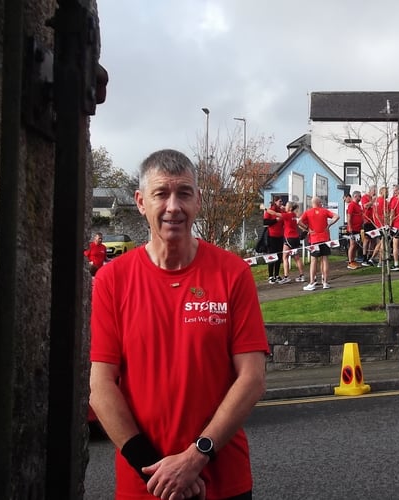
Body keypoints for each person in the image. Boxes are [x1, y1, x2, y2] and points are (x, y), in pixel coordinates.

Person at [89, 149, 269, 500]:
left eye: (184, 193)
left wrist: (196, 457)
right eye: (161, 194)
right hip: (144, 483)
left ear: (198, 201)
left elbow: (252, 379)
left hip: (221, 481)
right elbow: (100, 386)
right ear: (141, 202)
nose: (173, 206)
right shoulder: (112, 279)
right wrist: (154, 470)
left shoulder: (233, 273)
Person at [300, 197, 339, 291]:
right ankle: (325, 282)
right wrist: (329, 224)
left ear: (312, 203)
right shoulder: (324, 211)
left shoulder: (308, 212)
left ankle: (312, 282)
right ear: (319, 203)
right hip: (325, 239)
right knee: (325, 259)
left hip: (314, 239)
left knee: (314, 261)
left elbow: (299, 222)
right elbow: (337, 216)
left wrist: (307, 229)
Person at [267, 201, 305, 283]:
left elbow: (275, 213)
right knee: (297, 258)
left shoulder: (287, 215)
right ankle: (302, 276)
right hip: (295, 238)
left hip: (289, 238)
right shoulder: (293, 215)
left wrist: (265, 208)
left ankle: (286, 276)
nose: (285, 206)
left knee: (285, 257)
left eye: (286, 205)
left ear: (290, 208)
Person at [263, 197, 285, 283]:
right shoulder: (270, 211)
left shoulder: (281, 211)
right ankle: (270, 276)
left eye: (281, 201)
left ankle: (276, 274)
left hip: (280, 236)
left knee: (279, 256)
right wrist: (275, 220)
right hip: (271, 236)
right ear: (275, 202)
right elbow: (265, 222)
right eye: (280, 201)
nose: (281, 202)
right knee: (272, 255)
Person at [346, 191, 364, 269]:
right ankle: (350, 262)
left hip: (358, 228)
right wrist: (350, 227)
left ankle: (353, 260)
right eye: (359, 196)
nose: (360, 198)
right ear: (355, 196)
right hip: (353, 228)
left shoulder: (359, 206)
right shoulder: (351, 205)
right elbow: (349, 217)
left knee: (355, 245)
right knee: (352, 245)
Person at [361, 185, 377, 265]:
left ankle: (370, 257)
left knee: (373, 240)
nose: (375, 192)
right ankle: (364, 258)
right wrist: (372, 201)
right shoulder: (365, 197)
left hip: (374, 221)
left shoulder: (374, 198)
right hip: (367, 221)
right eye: (375, 190)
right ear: (371, 190)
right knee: (367, 239)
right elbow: (365, 206)